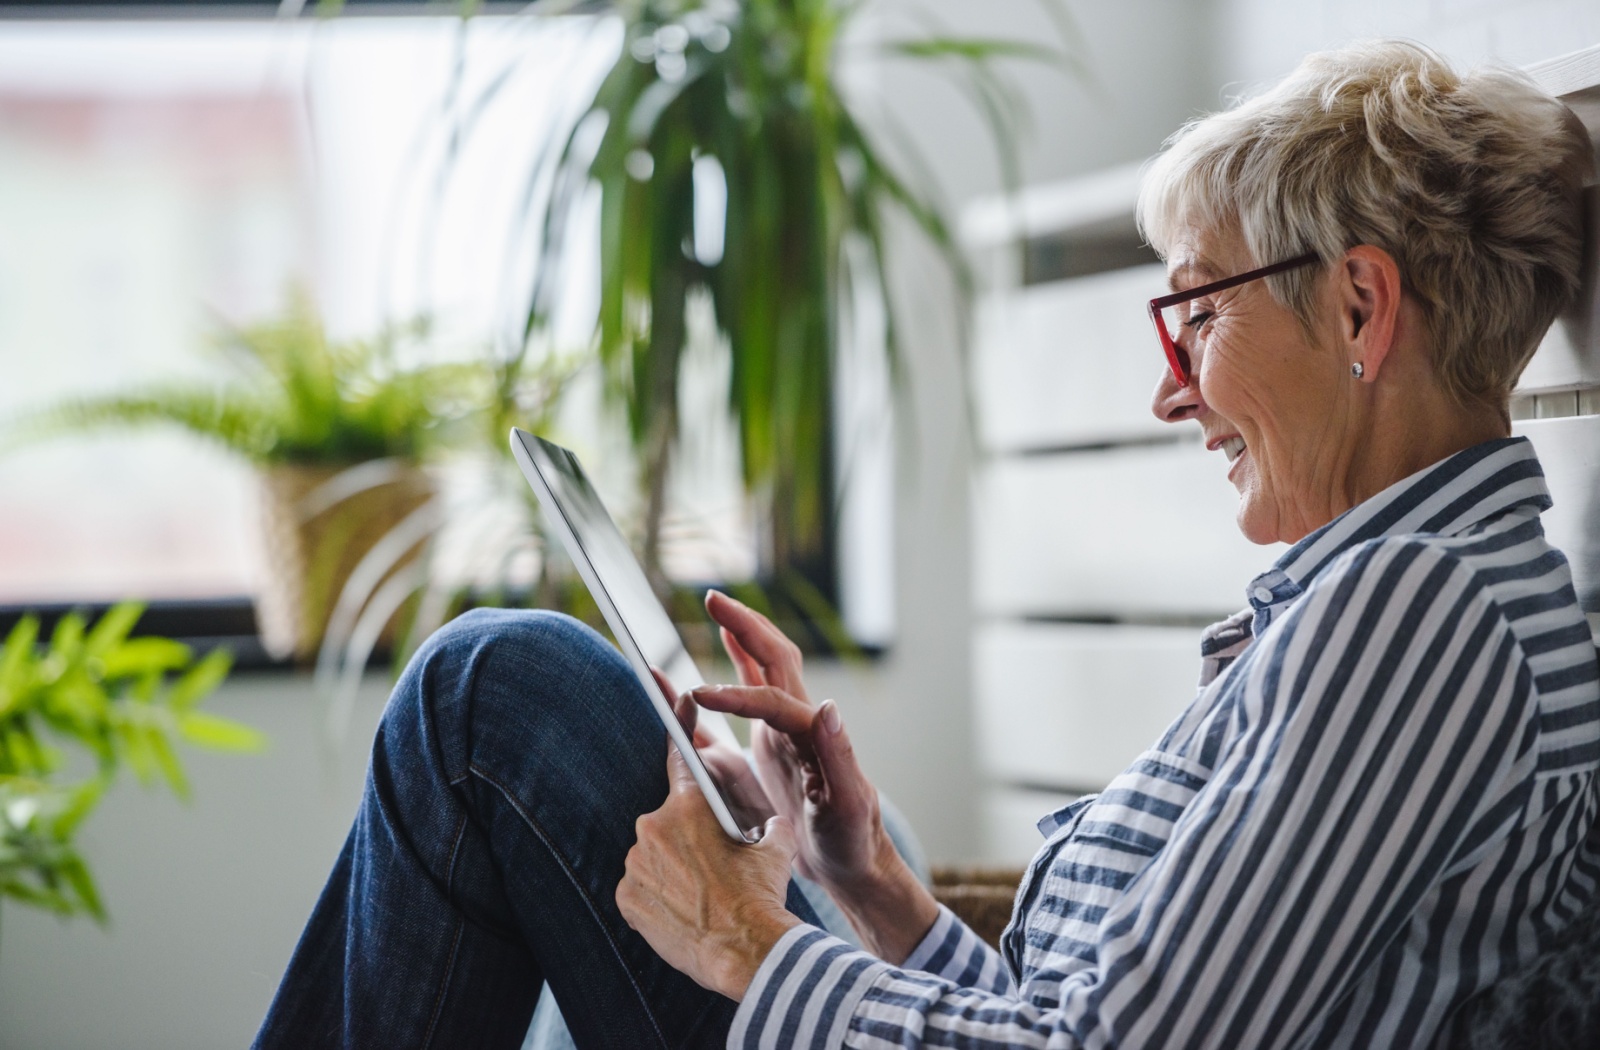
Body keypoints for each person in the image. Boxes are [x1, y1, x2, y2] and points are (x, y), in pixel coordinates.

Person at [256, 40, 1598, 1049]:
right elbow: (1098, 1009)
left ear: (1362, 308)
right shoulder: (1394, 600)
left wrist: (747, 937)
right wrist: (873, 882)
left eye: (1194, 314)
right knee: (579, 724)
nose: (1169, 387)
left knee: (492, 692)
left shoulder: (1421, 612)